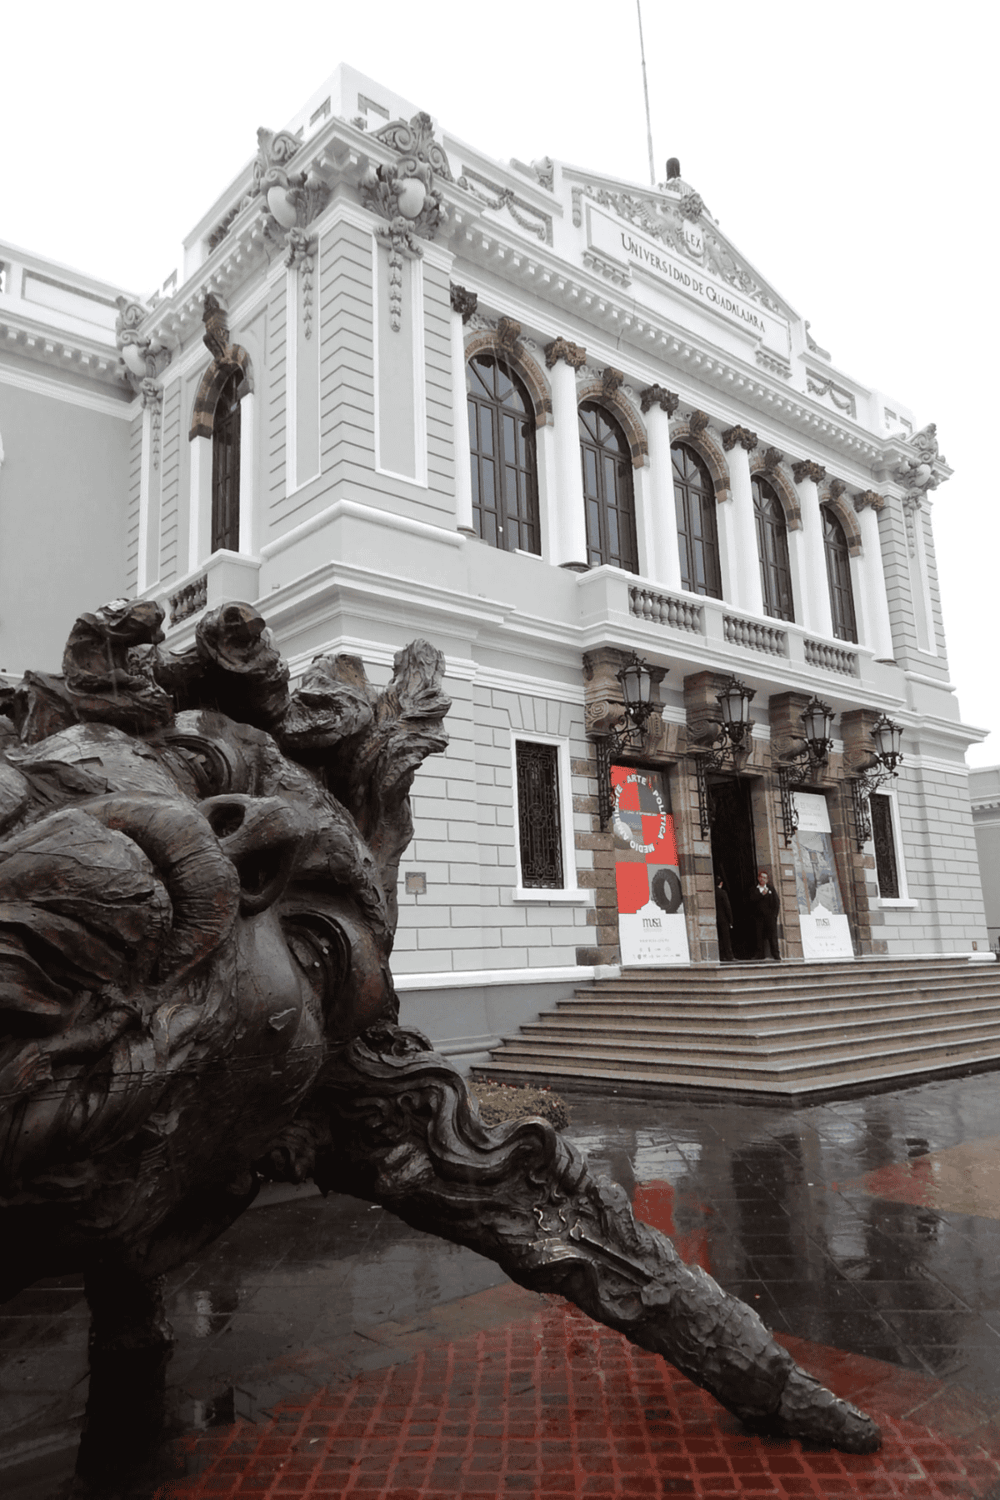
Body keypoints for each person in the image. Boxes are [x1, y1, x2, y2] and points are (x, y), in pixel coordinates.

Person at [0, 599, 879, 1470]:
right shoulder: (112, 788)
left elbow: (552, 1215)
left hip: (255, 1028)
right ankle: (125, 1402)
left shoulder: (302, 942)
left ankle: (125, 1403)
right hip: (174, 1032)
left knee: (537, 1203)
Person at [750, 867, 782, 960]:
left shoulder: (771, 889)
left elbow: (776, 903)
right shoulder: (754, 889)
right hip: (759, 918)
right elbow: (751, 901)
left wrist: (774, 916)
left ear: (767, 880)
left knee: (772, 937)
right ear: (758, 878)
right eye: (761, 877)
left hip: (770, 918)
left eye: (764, 878)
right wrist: (761, 895)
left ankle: (775, 954)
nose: (762, 879)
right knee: (759, 937)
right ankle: (760, 954)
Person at [714, 874, 735, 962]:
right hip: (723, 919)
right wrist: (731, 920)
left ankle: (721, 956)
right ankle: (729, 956)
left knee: (719, 938)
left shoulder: (713, 892)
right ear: (721, 883)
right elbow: (727, 907)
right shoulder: (722, 893)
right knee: (726, 938)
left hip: (716, 918)